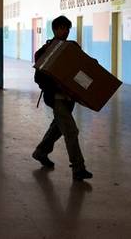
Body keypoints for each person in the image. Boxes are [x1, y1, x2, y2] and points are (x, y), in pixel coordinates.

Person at [32, 15, 93, 181]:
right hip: (56, 98)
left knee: (58, 127)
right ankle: (78, 168)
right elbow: (39, 77)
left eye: (67, 29)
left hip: (70, 98)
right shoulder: (46, 51)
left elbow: (83, 69)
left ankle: (40, 152)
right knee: (71, 131)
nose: (65, 31)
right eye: (62, 28)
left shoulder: (73, 47)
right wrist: (54, 86)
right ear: (55, 29)